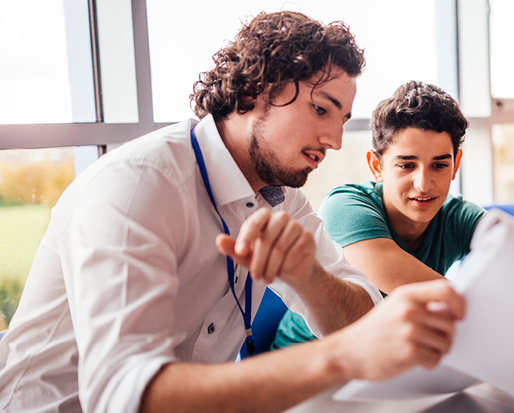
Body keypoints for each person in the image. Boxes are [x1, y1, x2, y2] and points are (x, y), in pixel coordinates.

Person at [0, 13, 465, 413]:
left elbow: (365, 316)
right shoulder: (140, 184)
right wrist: (340, 357)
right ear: (255, 89)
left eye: (341, 120)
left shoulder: (281, 197)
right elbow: (125, 396)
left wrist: (310, 278)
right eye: (320, 109)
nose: (335, 140)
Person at [273, 80, 484, 349]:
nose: (423, 183)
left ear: (455, 166)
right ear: (377, 166)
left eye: (439, 165)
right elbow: (450, 302)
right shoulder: (345, 206)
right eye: (407, 165)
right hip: (306, 363)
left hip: (386, 359)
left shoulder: (459, 216)